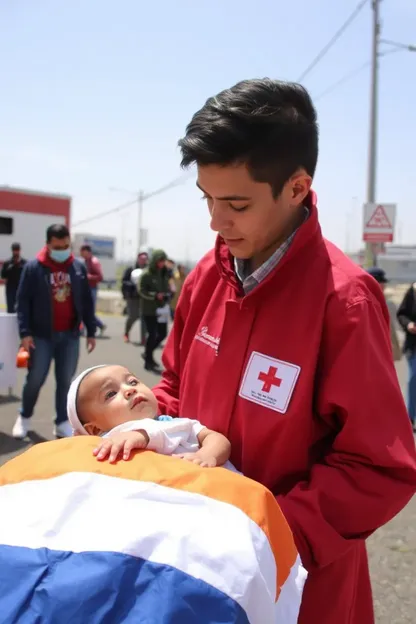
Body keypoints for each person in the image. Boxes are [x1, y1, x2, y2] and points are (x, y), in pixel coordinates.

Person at [152, 79, 416, 624]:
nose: (215, 221)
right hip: (190, 564)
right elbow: (173, 388)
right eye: (207, 198)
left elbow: (376, 466)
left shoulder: (343, 302)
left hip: (293, 586)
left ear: (296, 188)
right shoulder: (206, 276)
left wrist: (263, 535)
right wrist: (130, 425)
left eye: (236, 203)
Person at [13, 224, 96, 440]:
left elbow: (86, 302)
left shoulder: (77, 268)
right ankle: (24, 416)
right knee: (35, 379)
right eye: (58, 246)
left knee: (65, 381)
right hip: (41, 336)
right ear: (48, 244)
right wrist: (25, 332)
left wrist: (91, 331)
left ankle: (61, 421)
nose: (62, 250)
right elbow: (22, 302)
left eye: (66, 246)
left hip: (70, 336)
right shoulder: (34, 268)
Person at [67, 364, 231, 467]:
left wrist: (207, 454)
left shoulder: (171, 424)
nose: (129, 389)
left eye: (132, 381)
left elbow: (215, 438)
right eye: (110, 393)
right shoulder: (101, 446)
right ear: (95, 430)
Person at [139, 249, 171, 372]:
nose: (162, 263)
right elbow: (142, 291)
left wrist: (168, 294)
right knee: (152, 334)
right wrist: (155, 295)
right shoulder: (146, 274)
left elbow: (167, 286)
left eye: (163, 261)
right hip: (149, 310)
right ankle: (148, 360)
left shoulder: (164, 273)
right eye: (160, 261)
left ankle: (148, 353)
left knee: (162, 334)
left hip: (162, 309)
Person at [367, 267, 401, 362]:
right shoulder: (367, 301)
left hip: (386, 349)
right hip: (374, 351)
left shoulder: (384, 301)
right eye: (381, 282)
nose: (384, 285)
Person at [397, 281, 416, 431]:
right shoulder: (413, 290)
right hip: (414, 345)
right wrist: (409, 324)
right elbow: (402, 314)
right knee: (413, 380)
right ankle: (410, 418)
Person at [121, 251, 148, 344]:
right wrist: (133, 285)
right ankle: (126, 333)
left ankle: (143, 338)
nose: (143, 261)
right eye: (141, 259)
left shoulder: (148, 271)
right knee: (133, 316)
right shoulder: (130, 269)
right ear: (138, 259)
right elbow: (124, 281)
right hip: (132, 297)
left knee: (144, 318)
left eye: (145, 259)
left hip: (144, 298)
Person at [80, 244, 106, 336]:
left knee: (88, 310)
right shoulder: (85, 261)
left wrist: (88, 277)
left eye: (82, 252)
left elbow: (100, 277)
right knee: (83, 309)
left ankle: (97, 326)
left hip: (92, 288)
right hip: (85, 288)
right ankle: (85, 329)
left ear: (87, 252)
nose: (81, 254)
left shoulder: (94, 262)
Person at [1, 242, 26, 313]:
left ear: (19, 250)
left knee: (21, 308)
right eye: (14, 250)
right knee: (10, 309)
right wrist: (9, 268)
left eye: (17, 250)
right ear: (12, 251)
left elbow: (28, 276)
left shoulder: (24, 263)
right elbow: (3, 276)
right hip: (10, 288)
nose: (16, 252)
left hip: (21, 288)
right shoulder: (7, 263)